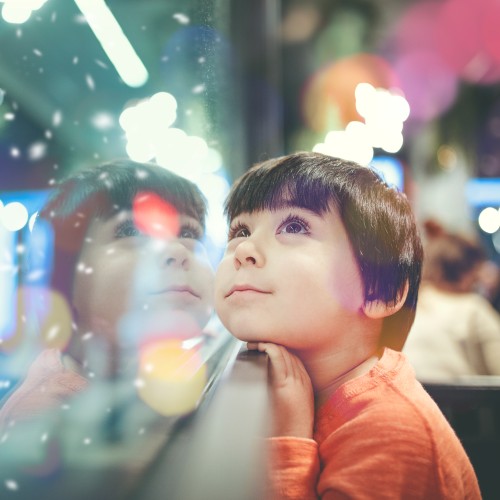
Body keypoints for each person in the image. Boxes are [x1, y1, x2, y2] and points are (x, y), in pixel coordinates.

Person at [214, 152, 481, 499]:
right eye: (240, 230)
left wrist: (289, 444)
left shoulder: (391, 432)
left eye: (294, 226)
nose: (244, 249)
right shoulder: (309, 388)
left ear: (379, 291)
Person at [0, 158, 218, 433]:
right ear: (67, 280)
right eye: (131, 231)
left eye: (188, 232)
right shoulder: (46, 413)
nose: (176, 251)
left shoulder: (139, 363)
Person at [403, 220, 500, 380]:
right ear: (466, 273)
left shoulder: (407, 305)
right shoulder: (473, 308)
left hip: (407, 396)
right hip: (460, 402)